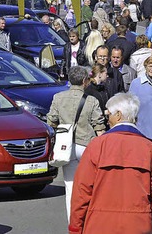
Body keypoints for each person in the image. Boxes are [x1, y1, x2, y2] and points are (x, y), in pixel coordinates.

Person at [69, 93, 152, 234]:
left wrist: (75, 228)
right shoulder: (150, 149)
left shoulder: (97, 146)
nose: (107, 119)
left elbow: (81, 193)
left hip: (98, 224)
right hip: (139, 224)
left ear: (118, 115)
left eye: (108, 114)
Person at [47, 66, 106, 221]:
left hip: (67, 147)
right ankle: (89, 221)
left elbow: (51, 121)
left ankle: (72, 223)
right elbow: (99, 126)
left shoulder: (58, 97)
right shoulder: (91, 100)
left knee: (70, 187)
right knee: (90, 186)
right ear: (84, 81)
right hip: (87, 145)